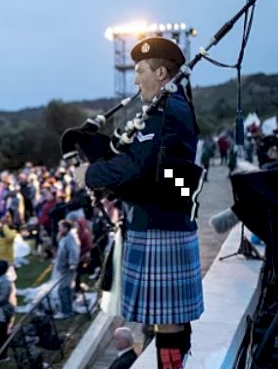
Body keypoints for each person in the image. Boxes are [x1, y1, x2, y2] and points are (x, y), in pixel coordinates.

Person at [76, 37, 203, 369]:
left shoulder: (168, 110)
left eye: (140, 70)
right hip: (162, 219)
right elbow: (150, 169)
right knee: (166, 321)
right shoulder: (170, 107)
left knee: (169, 321)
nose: (135, 79)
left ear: (161, 72)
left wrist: (91, 174)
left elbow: (137, 167)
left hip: (160, 225)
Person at [52, 219, 80, 320]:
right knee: (67, 289)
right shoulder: (64, 237)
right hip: (64, 268)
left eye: (61, 227)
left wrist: (73, 264)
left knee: (62, 290)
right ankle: (69, 310)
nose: (59, 229)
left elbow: (74, 251)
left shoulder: (70, 238)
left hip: (68, 269)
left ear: (66, 228)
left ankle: (66, 312)